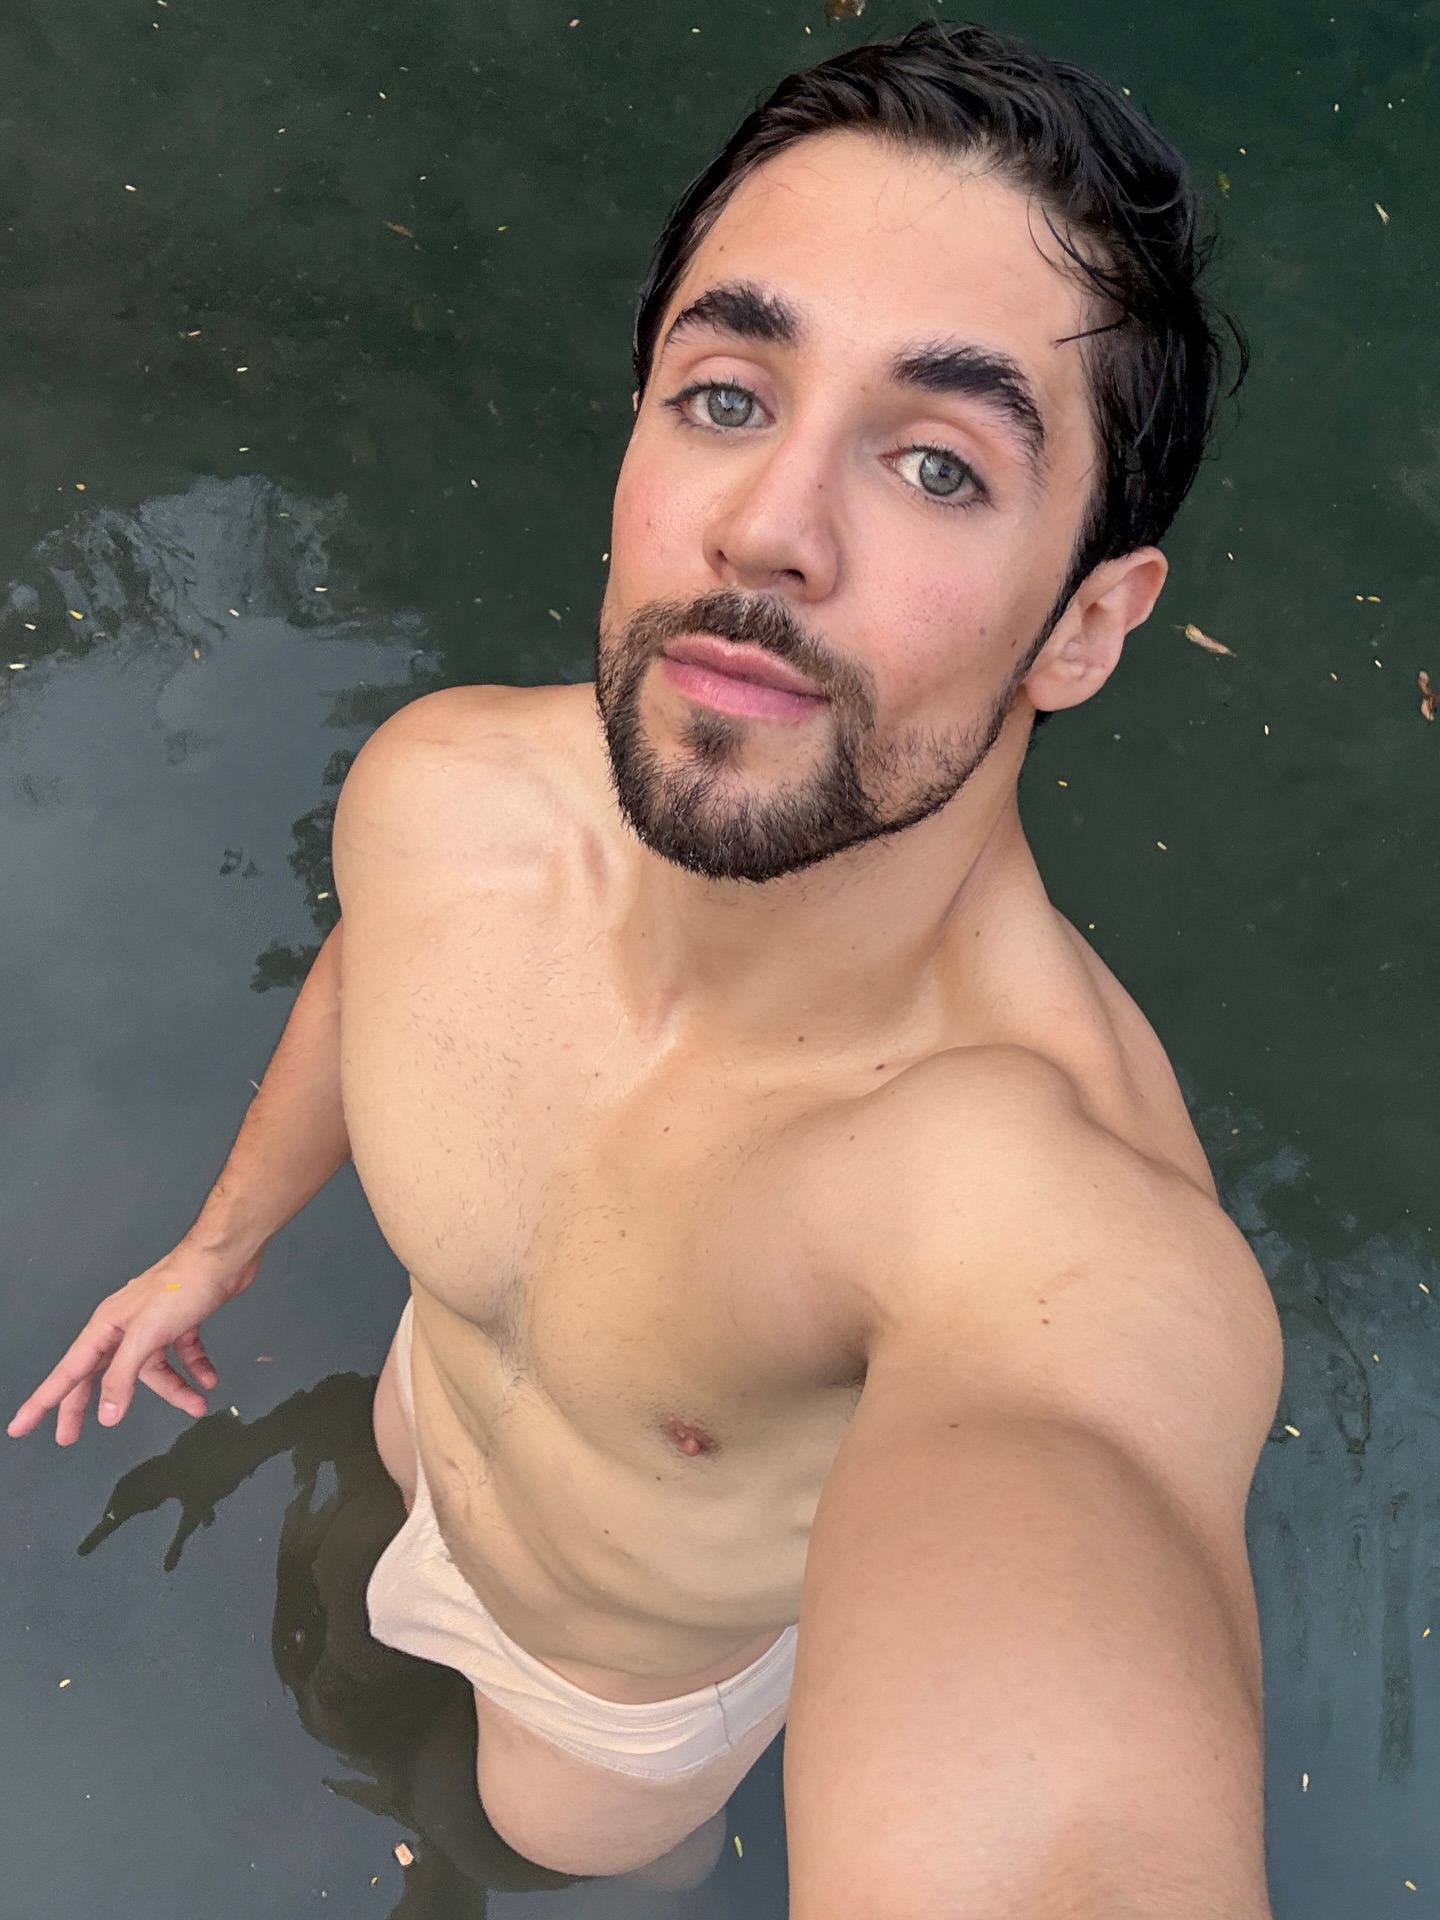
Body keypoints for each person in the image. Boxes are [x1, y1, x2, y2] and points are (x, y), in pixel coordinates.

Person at [10, 20, 1280, 1915]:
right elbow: (372, 978)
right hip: (427, 1426)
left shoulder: (1035, 1200)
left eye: (940, 465)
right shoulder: (444, 800)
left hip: (621, 1701)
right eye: (727, 394)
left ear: (1088, 624)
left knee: (552, 1855)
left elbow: (1077, 1569)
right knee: (347, 1639)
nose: (768, 529)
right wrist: (219, 1245)